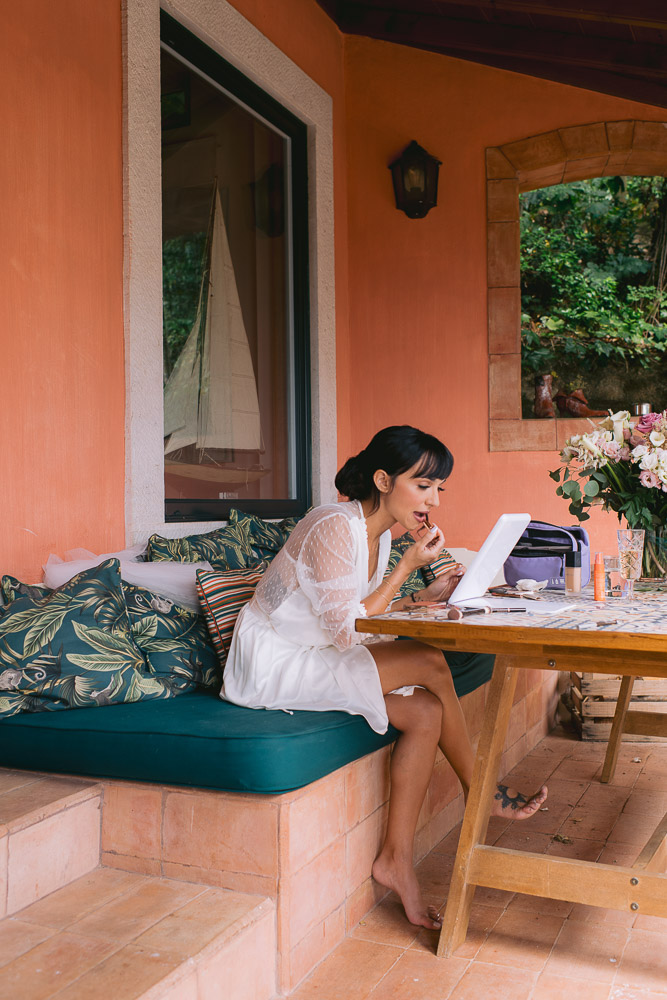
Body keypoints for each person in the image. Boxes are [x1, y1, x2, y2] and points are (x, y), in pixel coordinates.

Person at [223, 425, 547, 929]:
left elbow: (359, 614)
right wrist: (406, 569)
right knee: (428, 660)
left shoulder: (376, 537)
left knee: (425, 711)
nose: (433, 500)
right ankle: (483, 791)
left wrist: (424, 596)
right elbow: (351, 630)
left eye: (439, 489)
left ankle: (396, 861)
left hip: (317, 649)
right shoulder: (333, 523)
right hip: (274, 660)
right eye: (423, 485)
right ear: (382, 479)